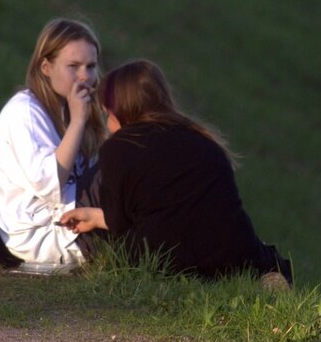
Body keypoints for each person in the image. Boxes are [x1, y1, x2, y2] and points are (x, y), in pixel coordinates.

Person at [60, 60, 292, 286]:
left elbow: (119, 221)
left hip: (166, 259)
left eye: (108, 114)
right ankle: (267, 276)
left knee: (117, 242)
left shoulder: (118, 148)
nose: (109, 124)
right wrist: (94, 216)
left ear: (120, 110)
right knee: (258, 247)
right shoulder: (202, 138)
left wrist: (97, 218)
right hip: (229, 253)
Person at [0, 19, 109, 268]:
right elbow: (48, 183)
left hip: (71, 218)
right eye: (73, 66)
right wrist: (78, 121)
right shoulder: (25, 112)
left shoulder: (64, 108)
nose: (85, 76)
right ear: (46, 67)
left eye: (91, 66)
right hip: (41, 234)